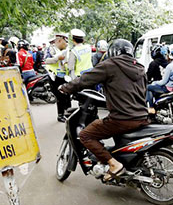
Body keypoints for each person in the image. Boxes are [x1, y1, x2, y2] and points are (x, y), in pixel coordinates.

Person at [59, 39, 149, 182]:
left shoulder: (110, 65)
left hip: (122, 119)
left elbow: (85, 79)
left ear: (113, 51)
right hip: (142, 116)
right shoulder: (140, 68)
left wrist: (65, 88)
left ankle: (114, 164)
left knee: (86, 135)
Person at [146, 43, 173, 108]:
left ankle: (151, 108)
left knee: (148, 88)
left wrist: (154, 82)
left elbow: (163, 82)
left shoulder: (170, 66)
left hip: (169, 88)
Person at [44, 33, 71, 122]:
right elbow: (46, 61)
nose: (66, 44)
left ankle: (68, 113)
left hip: (64, 76)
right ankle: (60, 115)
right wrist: (57, 58)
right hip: (54, 77)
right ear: (59, 40)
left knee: (67, 95)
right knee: (60, 96)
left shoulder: (65, 49)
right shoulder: (50, 49)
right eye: (65, 41)